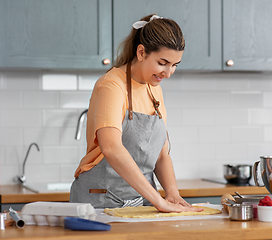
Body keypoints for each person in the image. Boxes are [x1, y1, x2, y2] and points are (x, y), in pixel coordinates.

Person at [70, 14, 202, 213]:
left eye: (175, 65)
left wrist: (172, 192)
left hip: (141, 201)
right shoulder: (112, 85)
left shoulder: (154, 88)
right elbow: (112, 148)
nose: (168, 73)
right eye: (162, 62)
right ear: (141, 52)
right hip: (101, 201)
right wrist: (159, 201)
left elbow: (161, 154)